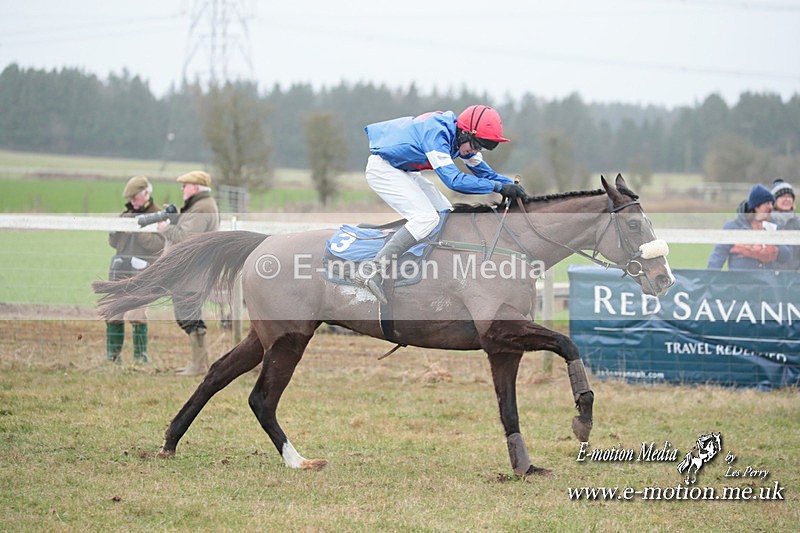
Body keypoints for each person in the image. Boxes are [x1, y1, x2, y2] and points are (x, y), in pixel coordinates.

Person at [355, 104, 526, 303]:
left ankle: (429, 270)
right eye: (476, 144)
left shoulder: (462, 139)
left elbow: (485, 173)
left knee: (447, 215)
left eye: (481, 147)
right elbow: (454, 181)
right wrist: (498, 187)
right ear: (464, 133)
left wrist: (511, 187)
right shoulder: (437, 134)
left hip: (405, 171)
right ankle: (372, 270)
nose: (476, 151)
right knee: (426, 218)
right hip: (383, 169)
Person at [157, 170, 220, 376]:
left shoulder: (202, 207)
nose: (182, 189)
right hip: (191, 271)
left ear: (195, 187)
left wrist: (166, 228)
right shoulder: (201, 205)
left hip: (191, 272)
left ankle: (198, 365)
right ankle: (201, 364)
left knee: (189, 316)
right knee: (189, 316)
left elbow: (188, 237)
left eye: (185, 186)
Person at [106, 176, 165, 364]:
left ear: (146, 194)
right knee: (114, 313)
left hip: (144, 273)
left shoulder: (159, 215)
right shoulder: (126, 214)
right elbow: (114, 243)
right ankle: (113, 357)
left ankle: (141, 358)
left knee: (138, 315)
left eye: (135, 197)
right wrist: (115, 232)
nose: (132, 201)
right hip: (121, 270)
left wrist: (139, 234)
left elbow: (160, 245)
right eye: (130, 198)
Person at [707, 184, 790, 270]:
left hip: (767, 282)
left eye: (772, 204)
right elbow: (717, 259)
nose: (771, 207)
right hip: (740, 282)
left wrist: (765, 250)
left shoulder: (774, 227)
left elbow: (786, 256)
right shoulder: (733, 228)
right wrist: (709, 280)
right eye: (767, 203)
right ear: (756, 206)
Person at [771, 178, 800, 270]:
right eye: (782, 196)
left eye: (790, 196)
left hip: (794, 277)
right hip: (771, 277)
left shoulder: (797, 223)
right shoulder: (767, 222)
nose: (787, 199)